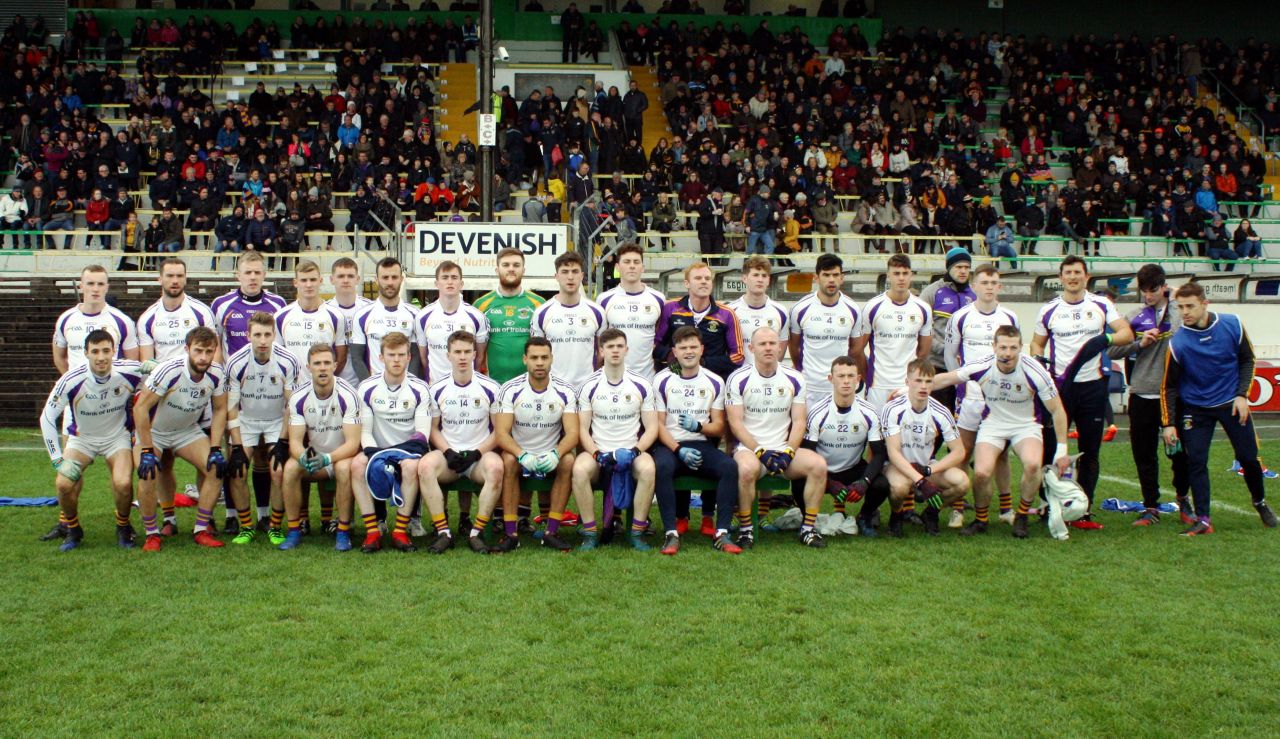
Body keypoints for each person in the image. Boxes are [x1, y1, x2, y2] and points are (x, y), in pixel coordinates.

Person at [931, 328, 1072, 538]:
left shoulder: (1035, 370)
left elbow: (1057, 409)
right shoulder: (983, 365)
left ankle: (1022, 516)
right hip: (993, 424)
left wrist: (1062, 449)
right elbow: (946, 379)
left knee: (1033, 465)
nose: (1008, 353)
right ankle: (981, 520)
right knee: (981, 472)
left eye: (1013, 348)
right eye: (1003, 347)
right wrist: (910, 389)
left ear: (1020, 348)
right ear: (994, 347)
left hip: (1026, 424)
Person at [1161, 282, 1277, 535]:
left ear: (1205, 304)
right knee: (1197, 461)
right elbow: (1168, 386)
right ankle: (1203, 519)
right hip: (1196, 408)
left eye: (1190, 306)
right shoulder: (1178, 342)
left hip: (1231, 403)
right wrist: (1169, 423)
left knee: (1248, 458)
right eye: (1180, 307)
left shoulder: (1232, 324)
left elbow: (1247, 359)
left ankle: (1260, 502)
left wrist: (1241, 395)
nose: (1185, 312)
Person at [1030, 255, 1133, 526]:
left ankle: (1083, 508)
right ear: (1061, 277)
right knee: (1050, 449)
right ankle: (1047, 504)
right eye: (1068, 273)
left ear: (1086, 277)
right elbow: (1036, 344)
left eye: (1077, 272)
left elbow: (1126, 333)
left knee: (1090, 451)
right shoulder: (1049, 310)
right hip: (1059, 389)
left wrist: (1106, 338)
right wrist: (1039, 361)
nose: (1073, 277)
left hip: (1092, 387)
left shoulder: (1101, 304)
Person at [39, 330, 143, 551]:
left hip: (117, 437)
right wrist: (58, 460)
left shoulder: (130, 370)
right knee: (63, 483)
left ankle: (123, 526)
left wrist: (155, 367)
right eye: (95, 351)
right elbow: (47, 417)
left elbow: (164, 374)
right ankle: (73, 529)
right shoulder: (71, 379)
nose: (101, 357)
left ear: (114, 351)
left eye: (106, 350)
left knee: (123, 483)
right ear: (86, 353)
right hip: (82, 440)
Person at [726, 326, 828, 549]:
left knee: (818, 465)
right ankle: (746, 530)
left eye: (773, 343)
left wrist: (789, 451)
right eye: (762, 344)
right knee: (745, 471)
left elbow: (800, 421)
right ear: (751, 348)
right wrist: (760, 451)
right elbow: (735, 423)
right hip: (750, 449)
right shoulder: (738, 378)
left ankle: (808, 529)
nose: (768, 348)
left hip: (783, 448)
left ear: (781, 346)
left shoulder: (795, 378)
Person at [131, 327, 229, 552]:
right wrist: (146, 449)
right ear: (187, 349)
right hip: (155, 433)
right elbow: (140, 408)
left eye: (208, 351)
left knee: (216, 467)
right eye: (198, 351)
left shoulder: (216, 373)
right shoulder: (169, 370)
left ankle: (201, 529)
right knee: (148, 473)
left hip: (186, 431)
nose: (203, 357)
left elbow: (221, 409)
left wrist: (215, 447)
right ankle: (152, 534)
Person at [1107, 264, 1190, 527]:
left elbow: (1184, 334)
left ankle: (1184, 500)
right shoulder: (1134, 317)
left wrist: (1175, 300)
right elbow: (1112, 352)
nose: (1148, 296)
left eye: (1153, 290)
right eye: (1143, 291)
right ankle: (1151, 506)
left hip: (1174, 395)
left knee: (1178, 453)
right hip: (1141, 394)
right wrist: (1139, 344)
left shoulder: (1179, 311)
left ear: (1164, 286)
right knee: (1144, 454)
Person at [650, 326, 742, 553]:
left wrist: (699, 426)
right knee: (660, 465)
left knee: (729, 466)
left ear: (702, 349)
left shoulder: (714, 381)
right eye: (683, 348)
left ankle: (722, 532)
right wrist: (678, 448)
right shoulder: (662, 379)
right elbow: (658, 425)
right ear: (674, 351)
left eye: (693, 347)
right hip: (671, 445)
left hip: (701, 443)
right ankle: (671, 533)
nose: (688, 352)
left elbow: (719, 426)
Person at [413, 331, 504, 554]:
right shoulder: (436, 389)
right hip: (449, 458)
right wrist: (447, 451)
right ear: (448, 355)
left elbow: (499, 431)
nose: (462, 357)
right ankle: (444, 532)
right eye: (457, 352)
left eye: (466, 352)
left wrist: (476, 453)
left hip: (477, 458)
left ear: (475, 354)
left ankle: (476, 533)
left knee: (496, 467)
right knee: (424, 466)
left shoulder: (491, 387)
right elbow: (433, 428)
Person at [943, 263, 1021, 526]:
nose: (989, 287)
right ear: (974, 286)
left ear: (999, 286)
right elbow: (949, 355)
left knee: (1000, 453)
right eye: (984, 282)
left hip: (1000, 399)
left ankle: (1006, 509)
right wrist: (960, 387)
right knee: (963, 451)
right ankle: (958, 508)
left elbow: (1016, 357)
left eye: (993, 283)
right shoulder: (961, 317)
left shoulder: (1009, 317)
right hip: (970, 398)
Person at [572, 329, 660, 551]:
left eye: (620, 346)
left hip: (631, 451)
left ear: (627, 350)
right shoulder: (589, 385)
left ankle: (637, 532)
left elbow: (652, 428)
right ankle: (590, 533)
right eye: (610, 347)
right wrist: (596, 454)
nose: (615, 351)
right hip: (599, 452)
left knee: (648, 468)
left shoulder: (641, 384)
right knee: (580, 469)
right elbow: (582, 428)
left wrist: (635, 451)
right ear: (601, 351)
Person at [494, 337, 580, 551]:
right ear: (525, 360)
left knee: (568, 460)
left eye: (544, 357)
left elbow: (573, 433)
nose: (539, 362)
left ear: (552, 359)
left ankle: (551, 531)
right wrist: (522, 454)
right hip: (520, 453)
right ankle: (511, 533)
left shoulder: (565, 390)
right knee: (508, 460)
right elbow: (502, 434)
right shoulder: (510, 389)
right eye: (534, 358)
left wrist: (556, 454)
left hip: (549, 454)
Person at [350, 331, 432, 553]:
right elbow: (365, 432)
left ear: (409, 358)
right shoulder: (366, 388)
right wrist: (377, 454)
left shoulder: (420, 388)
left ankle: (400, 531)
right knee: (357, 465)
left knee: (411, 467)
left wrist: (396, 454)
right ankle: (373, 532)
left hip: (409, 452)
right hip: (377, 449)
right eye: (391, 355)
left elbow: (422, 433)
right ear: (381, 357)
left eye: (401, 355)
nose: (396, 360)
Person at [225, 311, 301, 546]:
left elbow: (292, 405)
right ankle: (247, 525)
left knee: (278, 469)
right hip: (246, 421)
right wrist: (236, 445)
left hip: (276, 420)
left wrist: (283, 441)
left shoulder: (288, 361)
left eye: (267, 334)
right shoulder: (236, 362)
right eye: (257, 334)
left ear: (274, 335)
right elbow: (231, 407)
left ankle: (274, 525)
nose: (262, 340)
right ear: (248, 335)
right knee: (236, 469)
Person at [284, 344, 362, 551]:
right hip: (314, 456)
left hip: (340, 456)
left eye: (327, 363)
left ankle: (343, 531)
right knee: (290, 468)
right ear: (308, 367)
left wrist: (327, 458)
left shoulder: (348, 394)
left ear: (335, 366)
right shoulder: (299, 397)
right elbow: (294, 443)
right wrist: (304, 457)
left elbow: (353, 444)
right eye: (317, 364)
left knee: (345, 469)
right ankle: (294, 530)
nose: (322, 368)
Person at [879, 360, 970, 537]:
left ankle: (931, 513)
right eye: (918, 380)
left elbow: (959, 452)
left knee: (962, 482)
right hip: (898, 467)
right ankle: (896, 516)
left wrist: (929, 470)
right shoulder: (892, 409)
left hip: (926, 466)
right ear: (907, 382)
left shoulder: (941, 412)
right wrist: (920, 481)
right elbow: (893, 452)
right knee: (899, 488)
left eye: (928, 382)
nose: (923, 386)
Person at [804, 356, 891, 536]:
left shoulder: (869, 412)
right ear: (831, 379)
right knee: (798, 482)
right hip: (822, 470)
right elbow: (807, 454)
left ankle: (865, 517)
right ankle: (808, 521)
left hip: (852, 467)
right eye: (841, 376)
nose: (846, 381)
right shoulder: (817, 412)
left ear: (858, 379)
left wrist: (864, 482)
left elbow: (879, 454)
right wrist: (828, 483)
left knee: (881, 484)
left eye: (850, 376)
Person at [854, 253, 932, 412]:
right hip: (878, 384)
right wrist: (867, 375)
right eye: (896, 273)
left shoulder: (923, 308)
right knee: (877, 433)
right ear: (888, 275)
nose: (901, 278)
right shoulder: (873, 307)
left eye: (905, 273)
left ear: (911, 274)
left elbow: (923, 352)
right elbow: (857, 350)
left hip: (908, 385)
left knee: (905, 433)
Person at [789, 253, 862, 405]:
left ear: (842, 278)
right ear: (816, 277)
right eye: (826, 275)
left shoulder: (853, 309)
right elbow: (794, 348)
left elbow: (855, 349)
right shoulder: (800, 309)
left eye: (835, 275)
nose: (831, 280)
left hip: (839, 387)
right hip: (809, 387)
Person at [653, 261, 745, 379]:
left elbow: (738, 356)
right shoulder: (670, 308)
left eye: (707, 278)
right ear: (687, 283)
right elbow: (654, 344)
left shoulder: (727, 314)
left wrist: (703, 363)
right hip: (676, 376)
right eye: (698, 278)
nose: (703, 281)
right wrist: (670, 355)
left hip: (712, 381)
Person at [530, 251, 604, 391]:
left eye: (575, 271)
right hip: (553, 388)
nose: (570, 277)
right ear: (556, 276)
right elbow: (536, 353)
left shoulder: (597, 312)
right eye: (565, 272)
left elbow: (601, 353)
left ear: (582, 276)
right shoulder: (542, 313)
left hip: (588, 388)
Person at [474, 248, 547, 385]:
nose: (511, 269)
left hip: (529, 385)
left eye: (516, 265)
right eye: (506, 265)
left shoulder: (539, 304)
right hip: (492, 383)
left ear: (523, 270)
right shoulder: (481, 305)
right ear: (497, 270)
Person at [598, 243, 666, 381]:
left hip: (647, 378)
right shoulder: (604, 299)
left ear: (643, 268)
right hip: (613, 379)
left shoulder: (658, 299)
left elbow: (660, 336)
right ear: (618, 267)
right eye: (626, 262)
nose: (632, 266)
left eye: (636, 262)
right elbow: (600, 341)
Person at [918, 247, 974, 411]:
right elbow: (921, 329)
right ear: (948, 268)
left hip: (966, 368)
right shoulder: (933, 291)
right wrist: (946, 350)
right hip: (937, 366)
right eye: (958, 267)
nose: (963, 271)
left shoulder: (975, 294)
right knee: (938, 416)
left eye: (966, 267)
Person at [415, 261, 489, 385]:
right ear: (436, 284)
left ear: (461, 284)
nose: (450, 282)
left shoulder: (476, 316)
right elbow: (424, 359)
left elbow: (479, 358)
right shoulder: (423, 316)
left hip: (468, 388)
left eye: (454, 278)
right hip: (435, 388)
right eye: (445, 278)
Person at [275, 260, 348, 383]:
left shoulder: (336, 316)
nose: (309, 285)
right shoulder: (281, 317)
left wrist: (324, 381)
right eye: (304, 280)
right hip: (291, 389)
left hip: (324, 389)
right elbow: (278, 357)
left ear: (320, 281)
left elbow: (341, 358)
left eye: (313, 280)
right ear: (295, 283)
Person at [350, 257, 421, 379]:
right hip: (376, 388)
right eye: (385, 277)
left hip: (406, 388)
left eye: (394, 277)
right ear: (376, 280)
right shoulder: (362, 316)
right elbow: (357, 358)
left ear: (401, 279)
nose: (390, 282)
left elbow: (416, 356)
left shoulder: (415, 315)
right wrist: (370, 386)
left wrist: (410, 385)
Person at [211, 250, 287, 362]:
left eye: (257, 272)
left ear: (264, 275)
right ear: (238, 275)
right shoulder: (221, 305)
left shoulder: (278, 304)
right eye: (248, 272)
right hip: (234, 376)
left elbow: (283, 345)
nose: (253, 277)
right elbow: (214, 345)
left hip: (269, 375)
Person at [726, 256, 790, 368]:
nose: (760, 279)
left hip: (769, 378)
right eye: (755, 275)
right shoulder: (730, 311)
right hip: (739, 377)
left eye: (764, 276)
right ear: (745, 278)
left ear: (769, 280)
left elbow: (781, 347)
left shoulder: (780, 311)